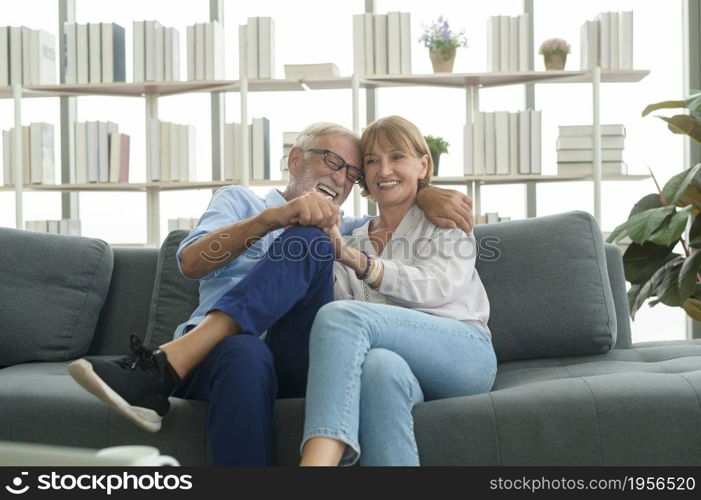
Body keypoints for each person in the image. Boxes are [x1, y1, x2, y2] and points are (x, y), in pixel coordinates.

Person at [68, 122, 474, 466]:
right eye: (331, 161)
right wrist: (269, 220)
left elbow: (393, 198)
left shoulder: (346, 228)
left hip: (299, 356)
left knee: (312, 240)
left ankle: (163, 368)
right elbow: (191, 263)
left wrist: (427, 191)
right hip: (224, 361)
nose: (340, 177)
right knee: (245, 352)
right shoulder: (239, 200)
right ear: (295, 159)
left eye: (352, 173)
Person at [298, 115, 497, 466]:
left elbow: (435, 286)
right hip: (398, 363)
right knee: (377, 369)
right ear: (363, 178)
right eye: (372, 161)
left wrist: (362, 263)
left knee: (339, 317)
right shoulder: (352, 239)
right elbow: (345, 328)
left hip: (464, 355)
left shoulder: (445, 221)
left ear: (423, 165)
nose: (383, 169)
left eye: (397, 156)